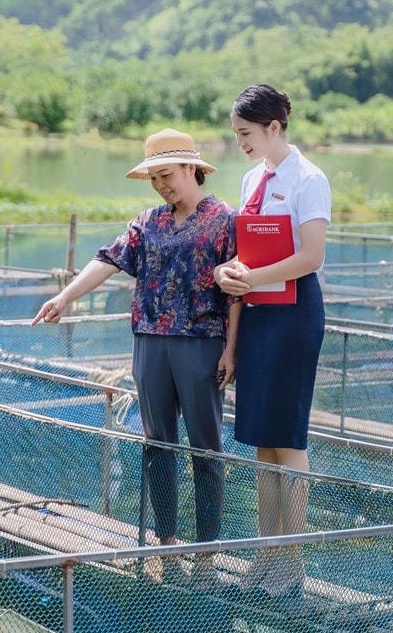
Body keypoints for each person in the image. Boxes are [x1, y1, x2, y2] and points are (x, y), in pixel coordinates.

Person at [31, 128, 240, 570]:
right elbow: (107, 259)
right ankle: (167, 545)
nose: (162, 184)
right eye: (154, 178)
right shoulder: (147, 222)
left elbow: (239, 293)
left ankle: (205, 554)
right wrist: (65, 297)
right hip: (149, 343)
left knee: (206, 447)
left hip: (202, 344)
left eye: (167, 174)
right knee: (156, 444)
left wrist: (232, 350)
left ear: (192, 168)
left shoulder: (225, 219)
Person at [214, 84, 331, 597]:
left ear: (274, 128)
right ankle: (267, 551)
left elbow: (311, 258)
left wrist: (252, 279)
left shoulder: (309, 178)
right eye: (237, 134)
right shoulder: (251, 177)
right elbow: (248, 250)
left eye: (246, 133)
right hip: (259, 312)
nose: (240, 142)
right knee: (262, 437)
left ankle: (293, 559)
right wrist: (231, 273)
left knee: (289, 436)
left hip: (294, 315)